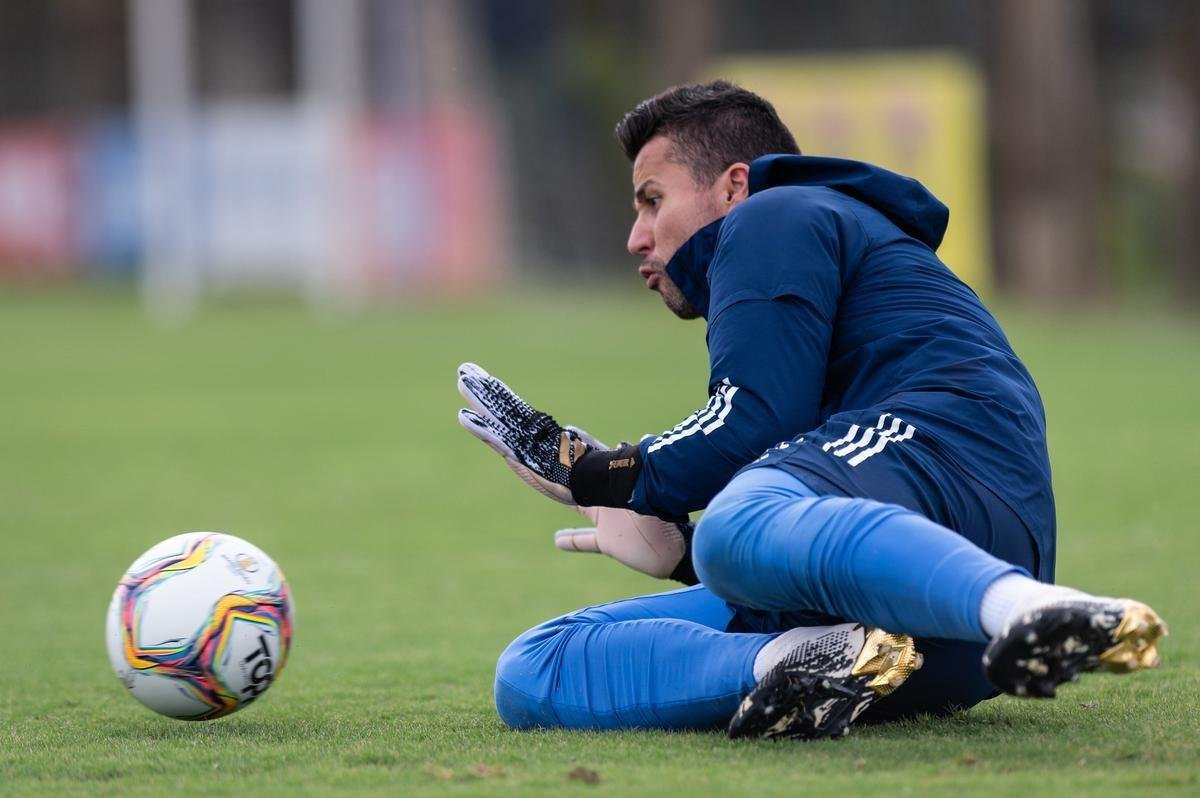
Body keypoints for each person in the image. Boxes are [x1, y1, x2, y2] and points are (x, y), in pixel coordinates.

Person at [457, 81, 1166, 740]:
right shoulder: (794, 242)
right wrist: (682, 558)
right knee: (534, 668)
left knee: (737, 521)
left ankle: (1034, 614)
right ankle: (804, 662)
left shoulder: (775, 210)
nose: (635, 237)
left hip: (959, 484)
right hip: (925, 641)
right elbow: (799, 495)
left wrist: (594, 470)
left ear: (734, 184)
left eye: (651, 199)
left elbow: (753, 419)